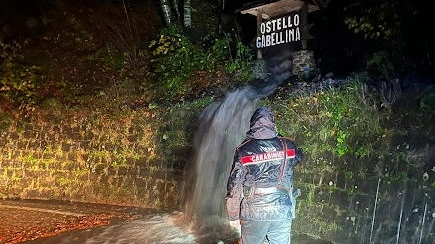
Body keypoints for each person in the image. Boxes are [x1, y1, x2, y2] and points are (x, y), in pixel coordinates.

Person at [226, 106, 304, 244]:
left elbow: (234, 186)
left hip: (254, 211)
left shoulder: (244, 150)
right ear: (273, 123)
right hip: (282, 209)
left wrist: (233, 215)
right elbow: (299, 157)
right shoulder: (288, 146)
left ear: (253, 124)